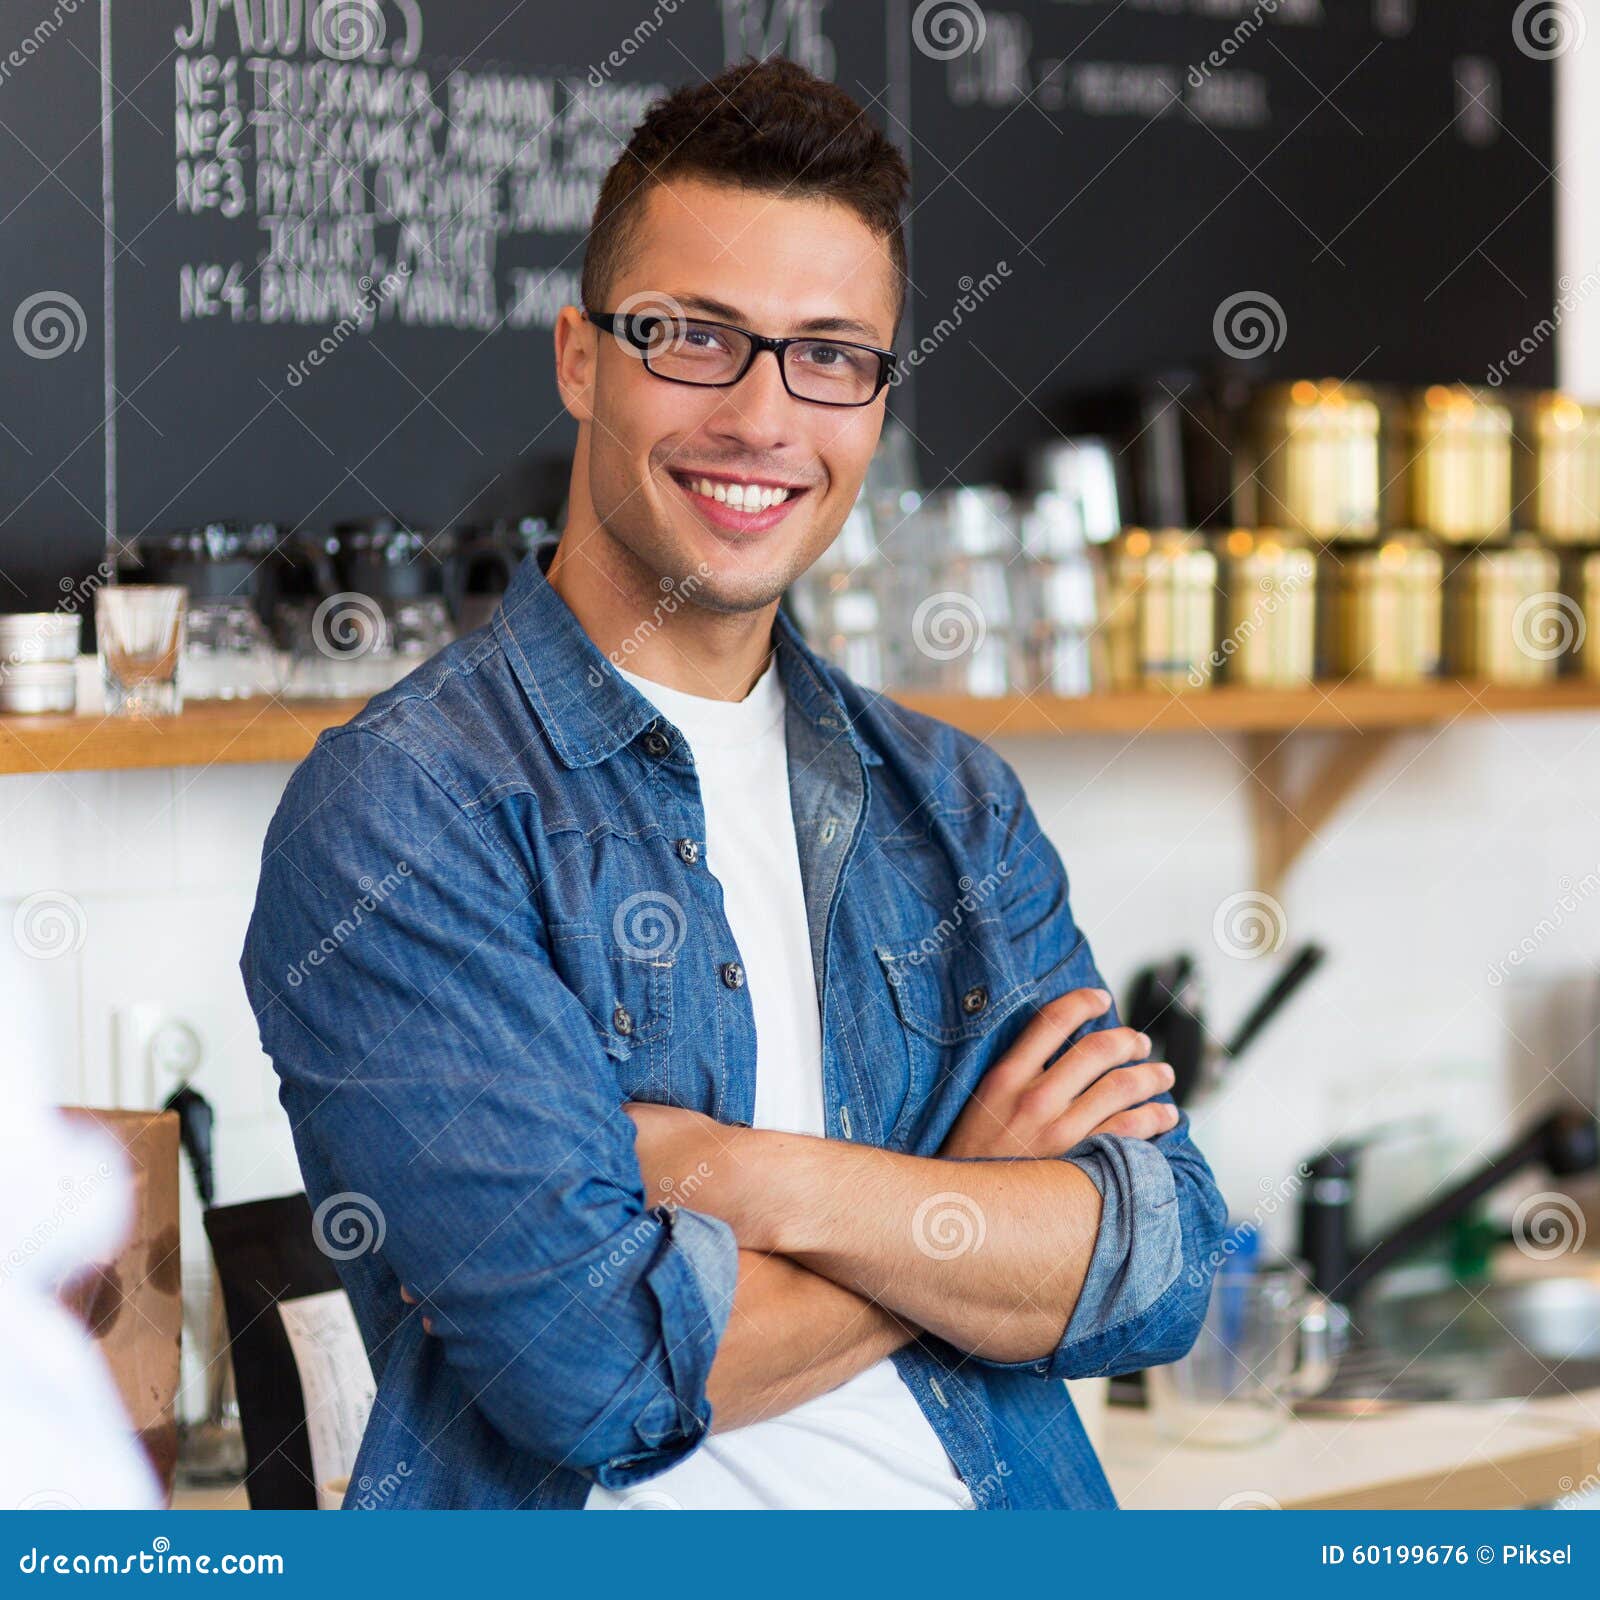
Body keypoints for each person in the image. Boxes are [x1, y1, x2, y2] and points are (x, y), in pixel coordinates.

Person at [241, 55, 1226, 1511]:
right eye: (695, 337)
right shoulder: (404, 812)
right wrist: (966, 1207)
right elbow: (599, 1368)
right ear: (581, 355)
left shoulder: (952, 802)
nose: (766, 419)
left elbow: (1163, 1267)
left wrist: (753, 1180)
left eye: (831, 354)